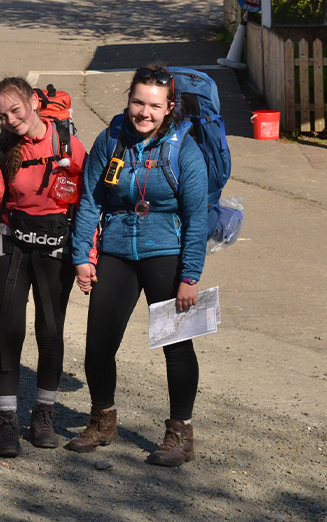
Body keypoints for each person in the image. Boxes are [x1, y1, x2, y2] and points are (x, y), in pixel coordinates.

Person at [69, 65, 208, 466]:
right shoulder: (110, 139)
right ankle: (102, 420)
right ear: (128, 99)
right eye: (137, 102)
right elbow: (90, 201)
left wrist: (190, 276)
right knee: (98, 345)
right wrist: (82, 256)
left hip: (166, 251)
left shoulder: (186, 148)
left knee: (176, 347)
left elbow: (197, 216)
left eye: (154, 105)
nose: (144, 112)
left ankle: (180, 434)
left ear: (169, 108)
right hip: (115, 249)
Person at [0, 77, 88, 458]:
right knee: (9, 332)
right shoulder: (1, 154)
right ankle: (6, 421)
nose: (11, 120)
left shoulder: (69, 146)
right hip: (11, 247)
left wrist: (87, 258)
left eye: (16, 109)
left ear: (33, 101)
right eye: (2, 115)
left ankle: (43, 415)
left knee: (50, 331)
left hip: (55, 248)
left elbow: (90, 204)